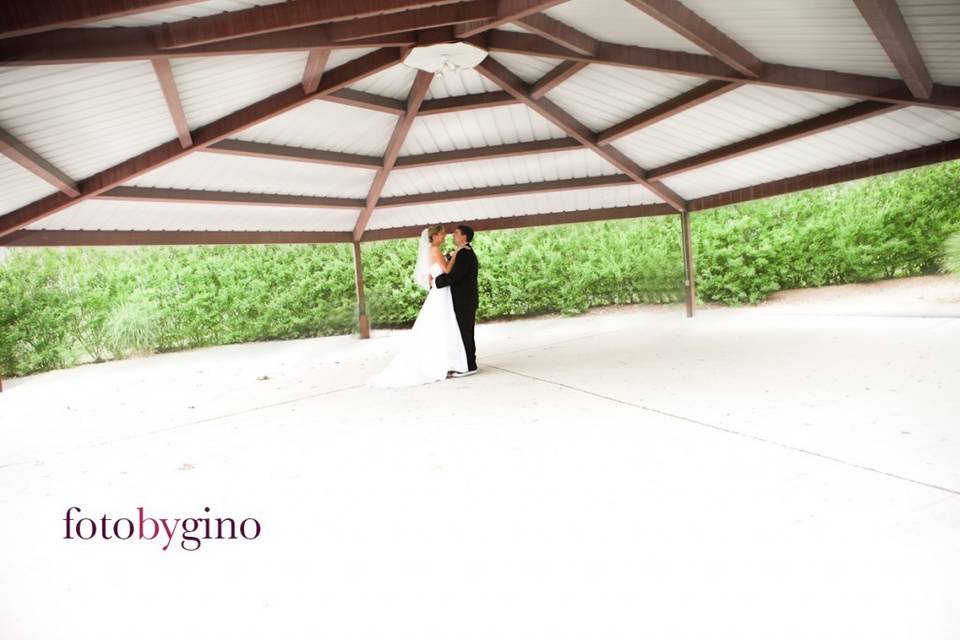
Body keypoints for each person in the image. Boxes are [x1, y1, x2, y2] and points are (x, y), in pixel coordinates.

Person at [367, 225, 468, 388]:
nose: (444, 236)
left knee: (440, 326)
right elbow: (447, 270)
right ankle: (445, 361)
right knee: (443, 325)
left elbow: (431, 272)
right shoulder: (435, 249)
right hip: (441, 294)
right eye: (442, 233)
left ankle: (445, 360)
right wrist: (456, 253)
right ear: (434, 236)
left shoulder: (431, 249)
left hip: (438, 292)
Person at [435, 225, 479, 377]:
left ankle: (470, 366)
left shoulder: (465, 254)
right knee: (463, 332)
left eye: (456, 233)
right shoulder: (460, 252)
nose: (452, 235)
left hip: (464, 301)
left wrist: (436, 282)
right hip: (464, 300)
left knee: (465, 332)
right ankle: (464, 363)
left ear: (464, 237)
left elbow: (455, 276)